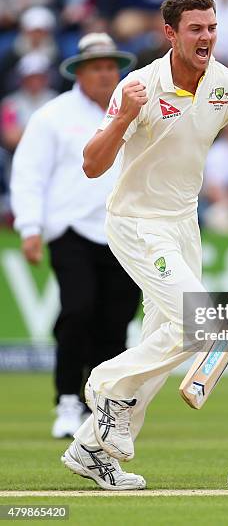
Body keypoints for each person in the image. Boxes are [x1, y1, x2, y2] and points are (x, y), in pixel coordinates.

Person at [61, 0, 228, 491]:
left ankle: (92, 449)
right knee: (199, 323)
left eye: (211, 27)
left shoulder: (227, 85)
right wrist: (122, 117)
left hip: (184, 226)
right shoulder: (138, 85)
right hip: (137, 221)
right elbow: (92, 165)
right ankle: (105, 385)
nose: (206, 37)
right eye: (195, 29)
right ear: (171, 34)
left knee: (168, 344)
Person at [10, 33, 141, 439]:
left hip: (124, 230)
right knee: (78, 311)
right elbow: (29, 173)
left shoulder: (136, 111)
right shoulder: (53, 115)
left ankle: (102, 406)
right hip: (70, 229)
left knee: (116, 322)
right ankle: (68, 399)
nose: (105, 74)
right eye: (96, 67)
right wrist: (30, 227)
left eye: (110, 67)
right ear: (79, 72)